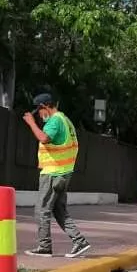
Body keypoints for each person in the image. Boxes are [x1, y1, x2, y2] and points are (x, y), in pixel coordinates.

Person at [22, 93, 91, 258]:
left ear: (45, 107)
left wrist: (31, 124)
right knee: (59, 210)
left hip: (53, 173)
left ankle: (44, 247)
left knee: (41, 210)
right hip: (63, 173)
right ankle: (79, 241)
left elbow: (44, 138)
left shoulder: (54, 120)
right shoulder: (65, 120)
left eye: (39, 111)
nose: (39, 115)